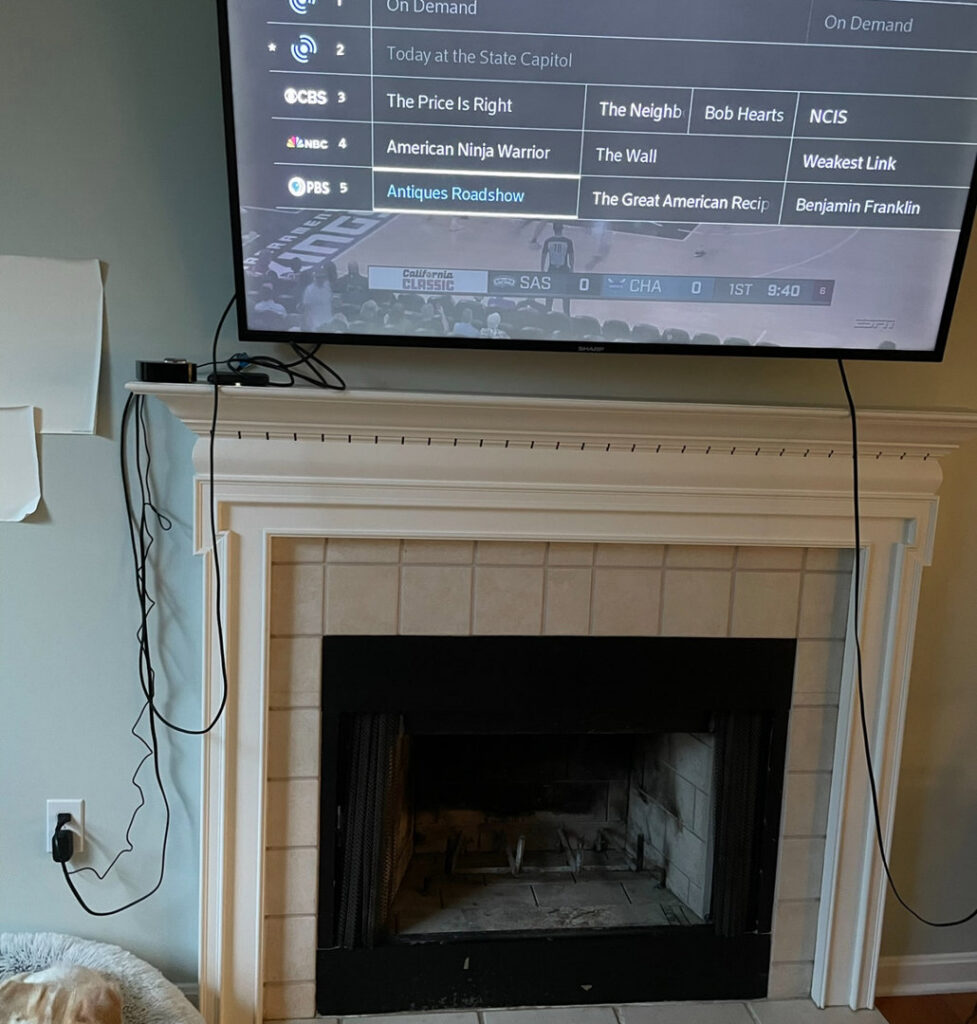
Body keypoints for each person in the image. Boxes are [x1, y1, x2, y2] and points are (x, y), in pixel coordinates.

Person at [541, 222, 574, 315]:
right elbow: (571, 256)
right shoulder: (568, 241)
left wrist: (542, 269)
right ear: (562, 229)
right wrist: (572, 268)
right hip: (564, 270)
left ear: (553, 229)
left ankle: (547, 313)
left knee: (550, 295)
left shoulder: (548, 241)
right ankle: (567, 315)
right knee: (565, 295)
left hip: (552, 270)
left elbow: (543, 256)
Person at [301, 262, 336, 331]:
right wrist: (307, 321)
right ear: (314, 277)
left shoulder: (328, 287)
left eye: (322, 277)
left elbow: (332, 303)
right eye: (318, 277)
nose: (320, 279)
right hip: (315, 321)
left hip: (328, 319)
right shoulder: (309, 290)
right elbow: (306, 308)